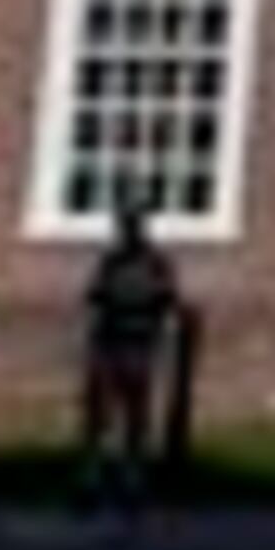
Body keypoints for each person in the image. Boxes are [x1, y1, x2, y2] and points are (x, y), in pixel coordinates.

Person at [78, 191, 182, 505]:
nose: (127, 228)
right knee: (98, 410)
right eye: (124, 223)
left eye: (132, 222)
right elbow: (92, 294)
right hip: (108, 342)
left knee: (136, 411)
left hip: (137, 342)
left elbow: (167, 298)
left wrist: (142, 306)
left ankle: (132, 474)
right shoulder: (109, 261)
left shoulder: (156, 262)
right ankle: (93, 472)